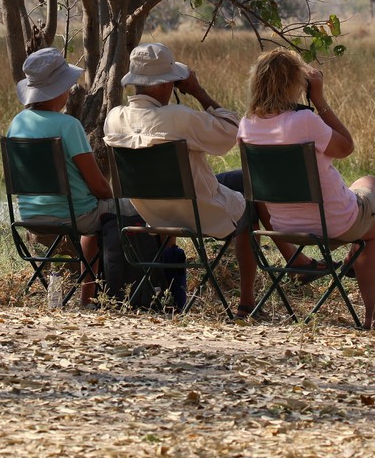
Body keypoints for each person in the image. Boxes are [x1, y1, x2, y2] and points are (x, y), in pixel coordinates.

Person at [238, 48, 375, 331]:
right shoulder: (305, 120)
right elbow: (346, 147)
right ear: (295, 83)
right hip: (334, 222)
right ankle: (374, 313)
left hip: (283, 226)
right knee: (369, 190)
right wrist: (320, 99)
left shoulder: (247, 126)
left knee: (360, 192)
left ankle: (351, 260)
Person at [103, 42, 260, 317]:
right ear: (167, 84)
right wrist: (198, 92)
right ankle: (247, 303)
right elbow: (232, 132)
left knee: (231, 180)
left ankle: (172, 294)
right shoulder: (180, 117)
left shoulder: (114, 118)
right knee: (252, 202)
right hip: (199, 212)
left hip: (151, 214)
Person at [6, 47, 113, 307]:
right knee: (116, 213)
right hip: (73, 216)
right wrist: (114, 197)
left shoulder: (17, 123)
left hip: (30, 216)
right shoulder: (68, 126)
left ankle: (85, 297)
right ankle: (93, 297)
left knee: (95, 217)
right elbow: (97, 185)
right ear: (59, 90)